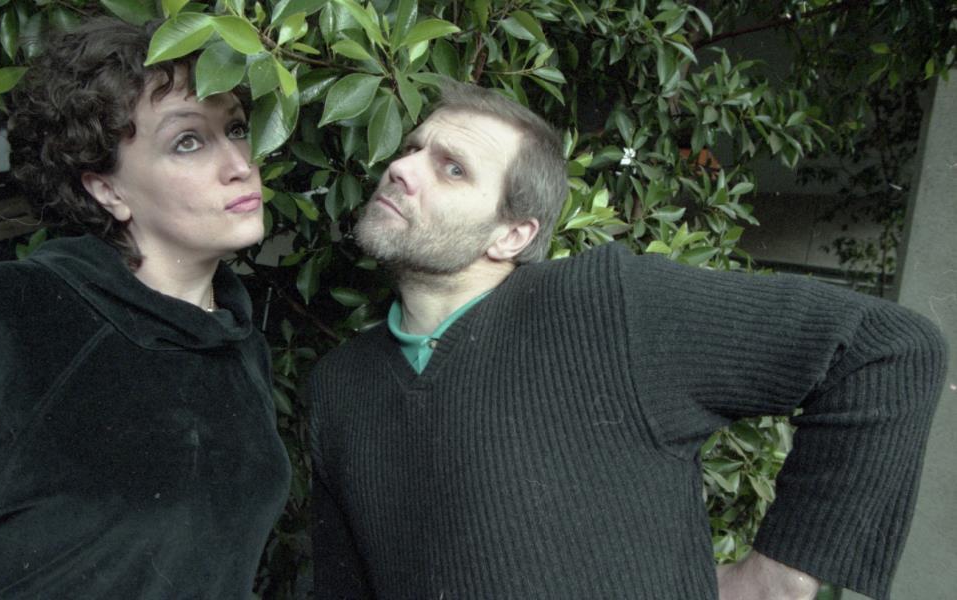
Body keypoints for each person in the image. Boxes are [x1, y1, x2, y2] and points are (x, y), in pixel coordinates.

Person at [308, 80, 947, 599]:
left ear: (512, 235)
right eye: (412, 148)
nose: (401, 169)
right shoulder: (340, 384)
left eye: (452, 168)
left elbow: (884, 347)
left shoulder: (605, 308)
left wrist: (777, 577)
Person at [0, 17, 290, 598]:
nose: (240, 164)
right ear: (107, 189)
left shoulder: (242, 349)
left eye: (236, 129)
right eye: (188, 141)